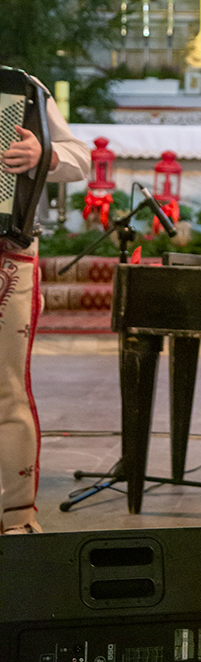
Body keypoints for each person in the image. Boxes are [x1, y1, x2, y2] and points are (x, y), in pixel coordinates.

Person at [0, 74, 90, 534]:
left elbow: (80, 159)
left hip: (6, 253)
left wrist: (44, 154)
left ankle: (15, 517)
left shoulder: (21, 89)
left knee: (6, 387)